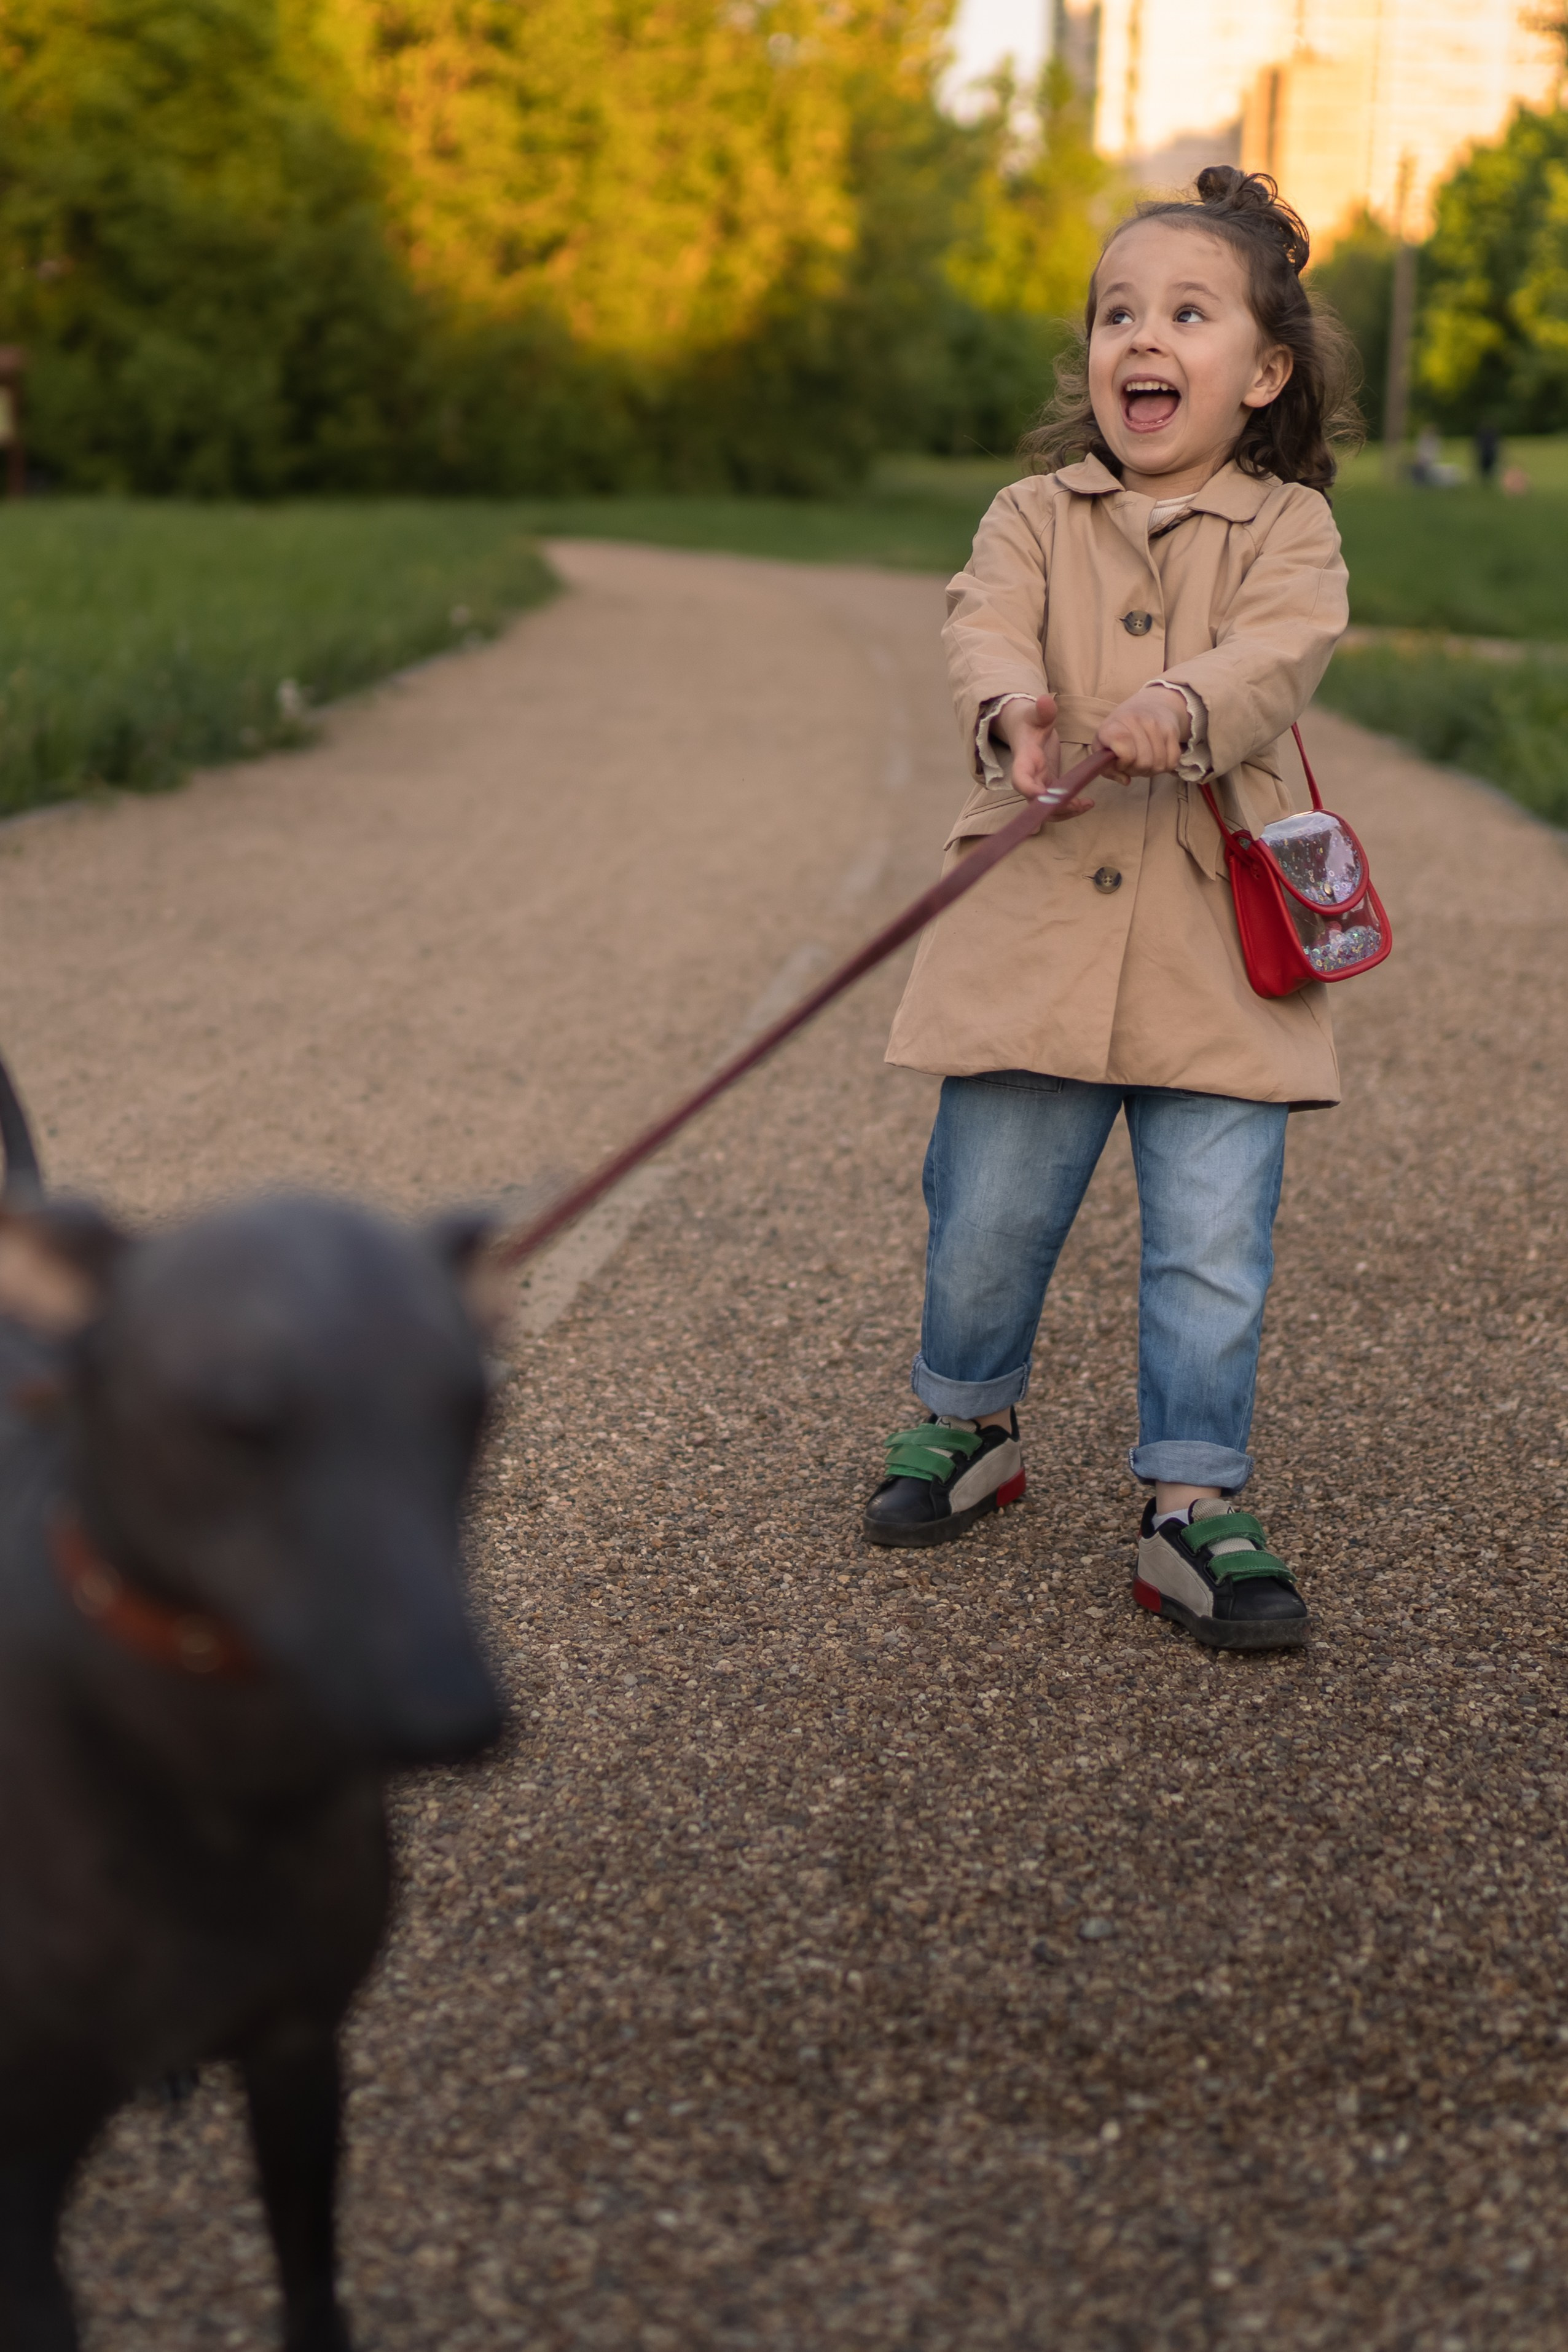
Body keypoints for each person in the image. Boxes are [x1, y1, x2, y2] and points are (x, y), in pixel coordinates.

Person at [863, 165, 1360, 1653]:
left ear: (1261, 372)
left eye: (1185, 314)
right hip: (1032, 921)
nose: (1141, 337)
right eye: (1116, 313)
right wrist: (1014, 708)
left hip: (1220, 937)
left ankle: (1190, 1501)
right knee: (988, 1211)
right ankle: (970, 1419)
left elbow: (1282, 650)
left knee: (1214, 1237)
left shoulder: (1290, 530)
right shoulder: (1031, 511)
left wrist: (1181, 702)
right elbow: (981, 620)